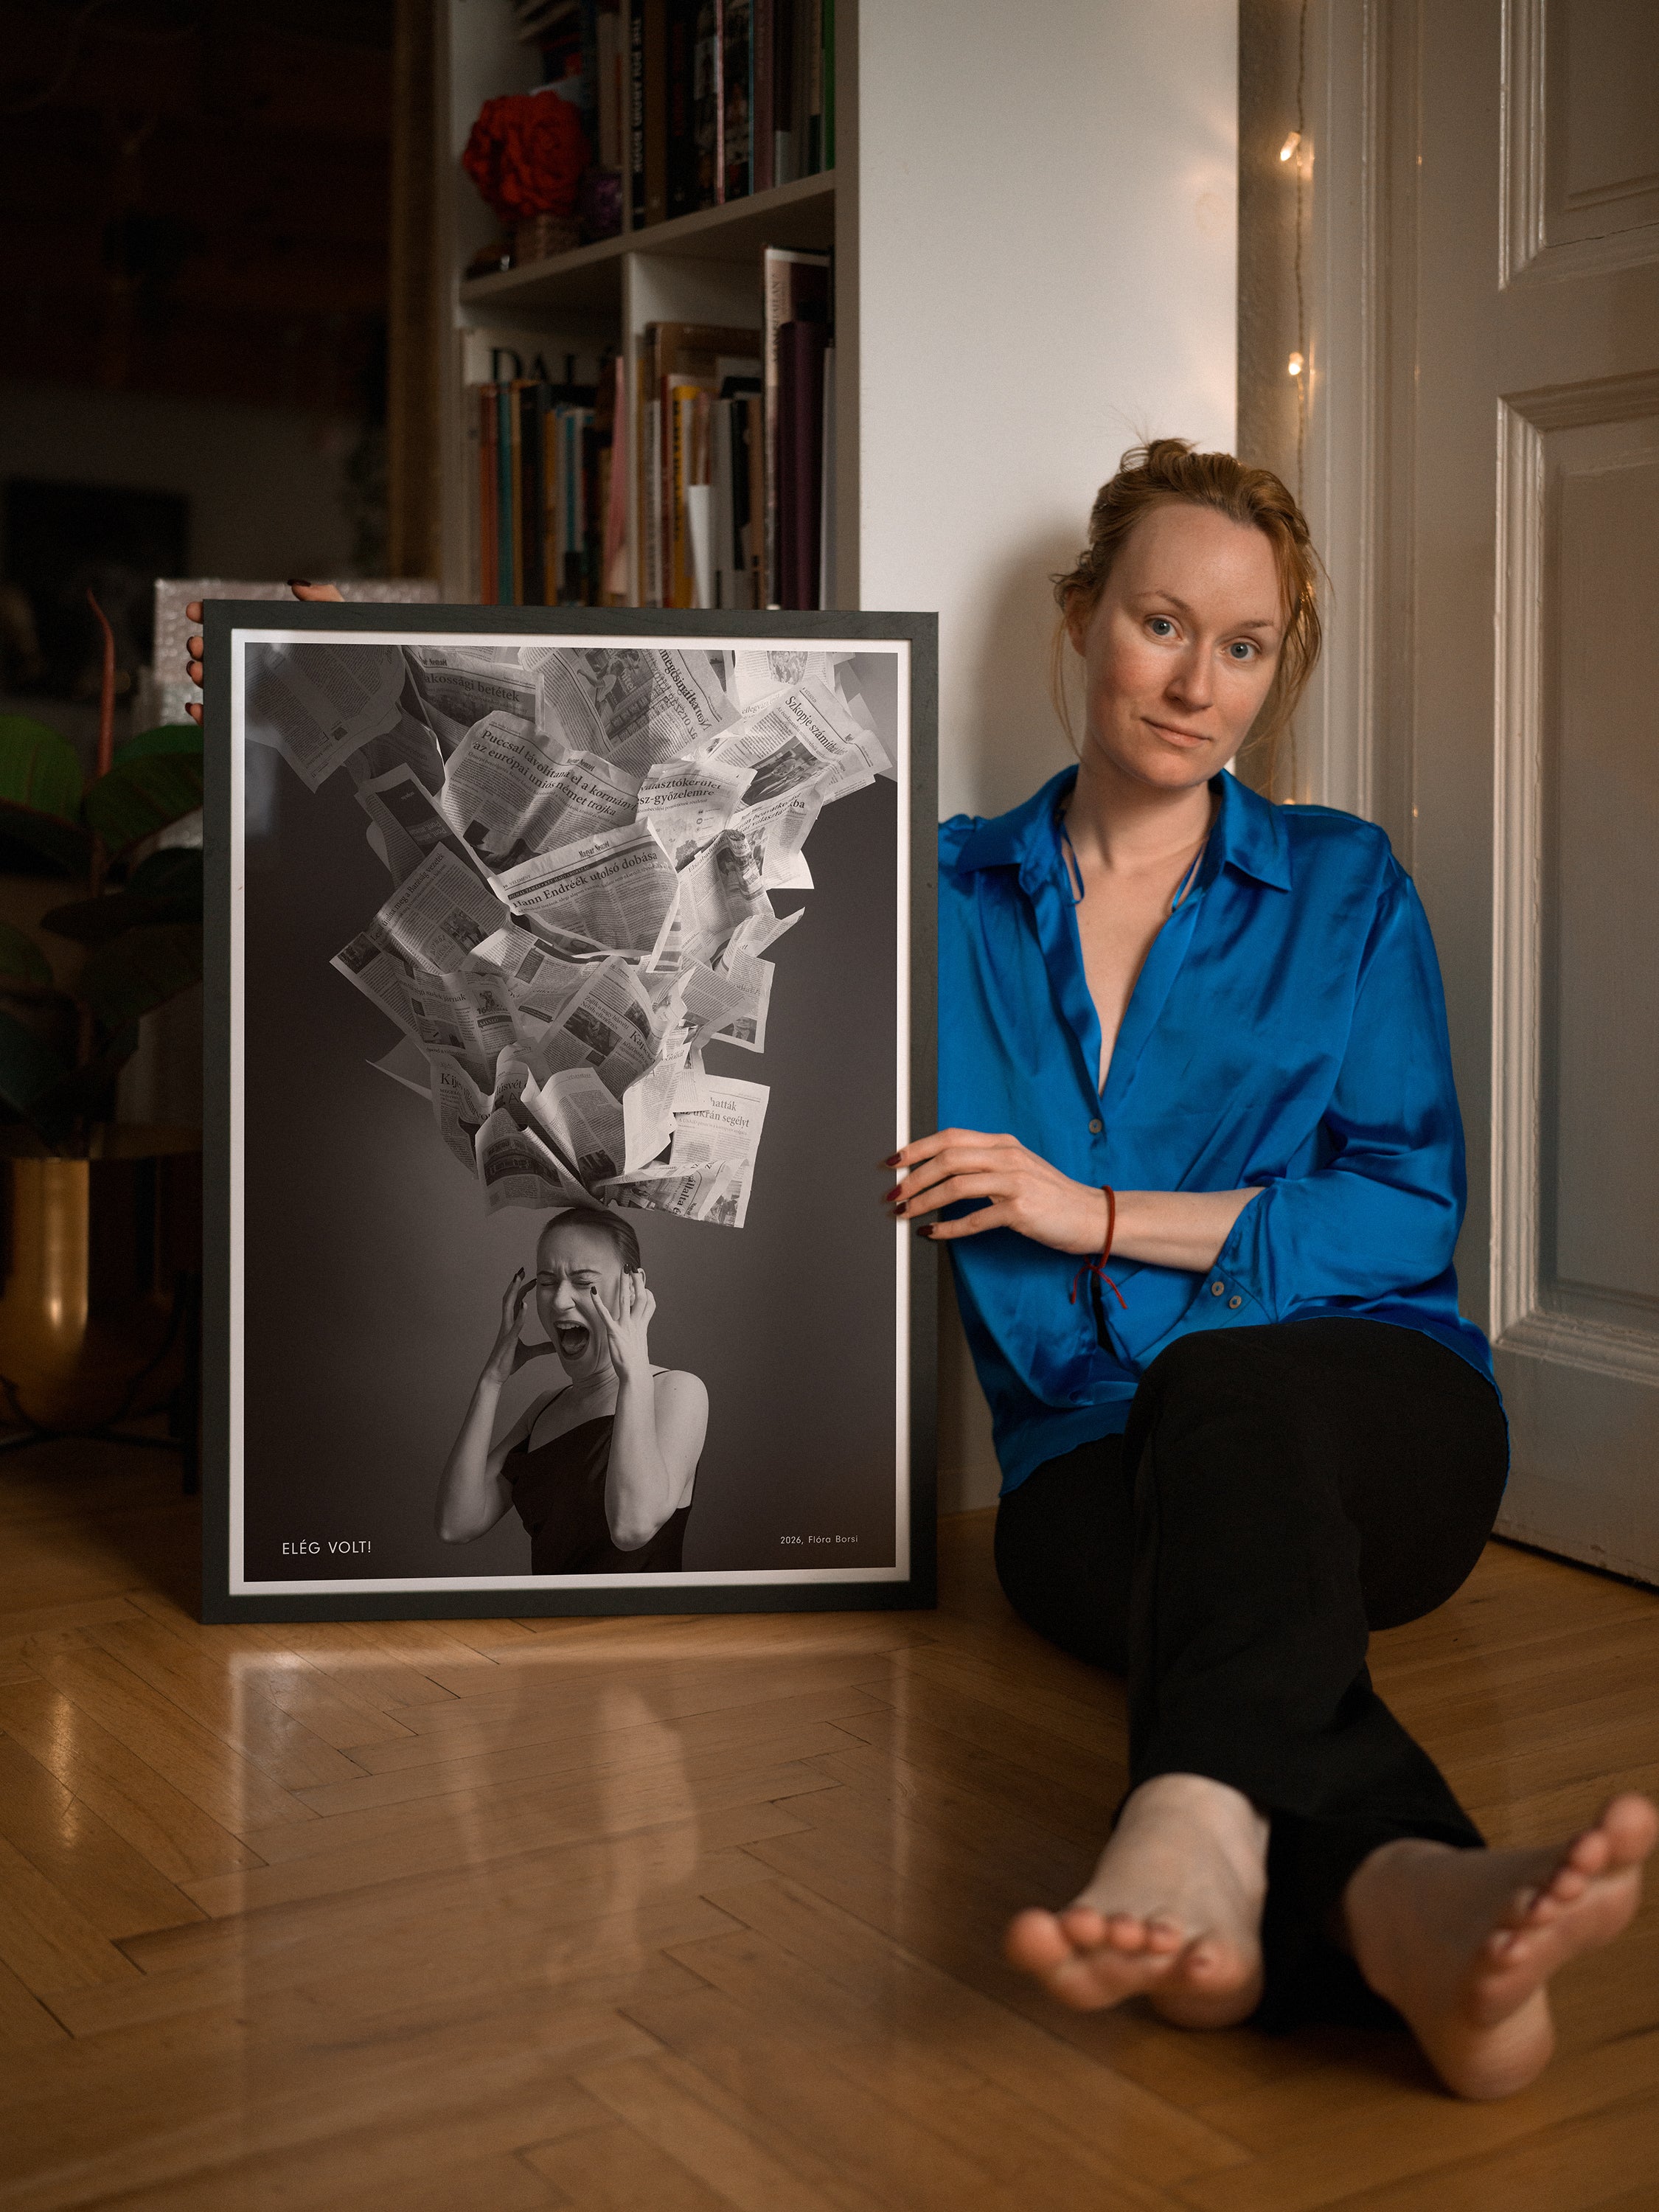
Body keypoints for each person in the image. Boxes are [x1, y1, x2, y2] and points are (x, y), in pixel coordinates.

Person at [887, 439, 1655, 2100]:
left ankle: (1175, 1816)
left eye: (1245, 648)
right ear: (1083, 619)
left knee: (1221, 1373)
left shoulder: (1344, 883)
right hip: (1090, 1473)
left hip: (1381, 1419)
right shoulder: (929, 896)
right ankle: (1411, 1906)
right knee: (1184, 1550)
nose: (1198, 684)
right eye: (1164, 624)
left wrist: (1092, 1211)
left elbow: (1399, 1217)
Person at [437, 1206, 706, 1573]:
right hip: (548, 1627)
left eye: (583, 1281)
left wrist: (634, 1376)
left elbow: (631, 1527)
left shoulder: (678, 1390)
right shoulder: (544, 1411)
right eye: (547, 1282)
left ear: (631, 1287)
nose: (560, 1301)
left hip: (642, 1629)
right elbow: (457, 1524)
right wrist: (491, 1380)